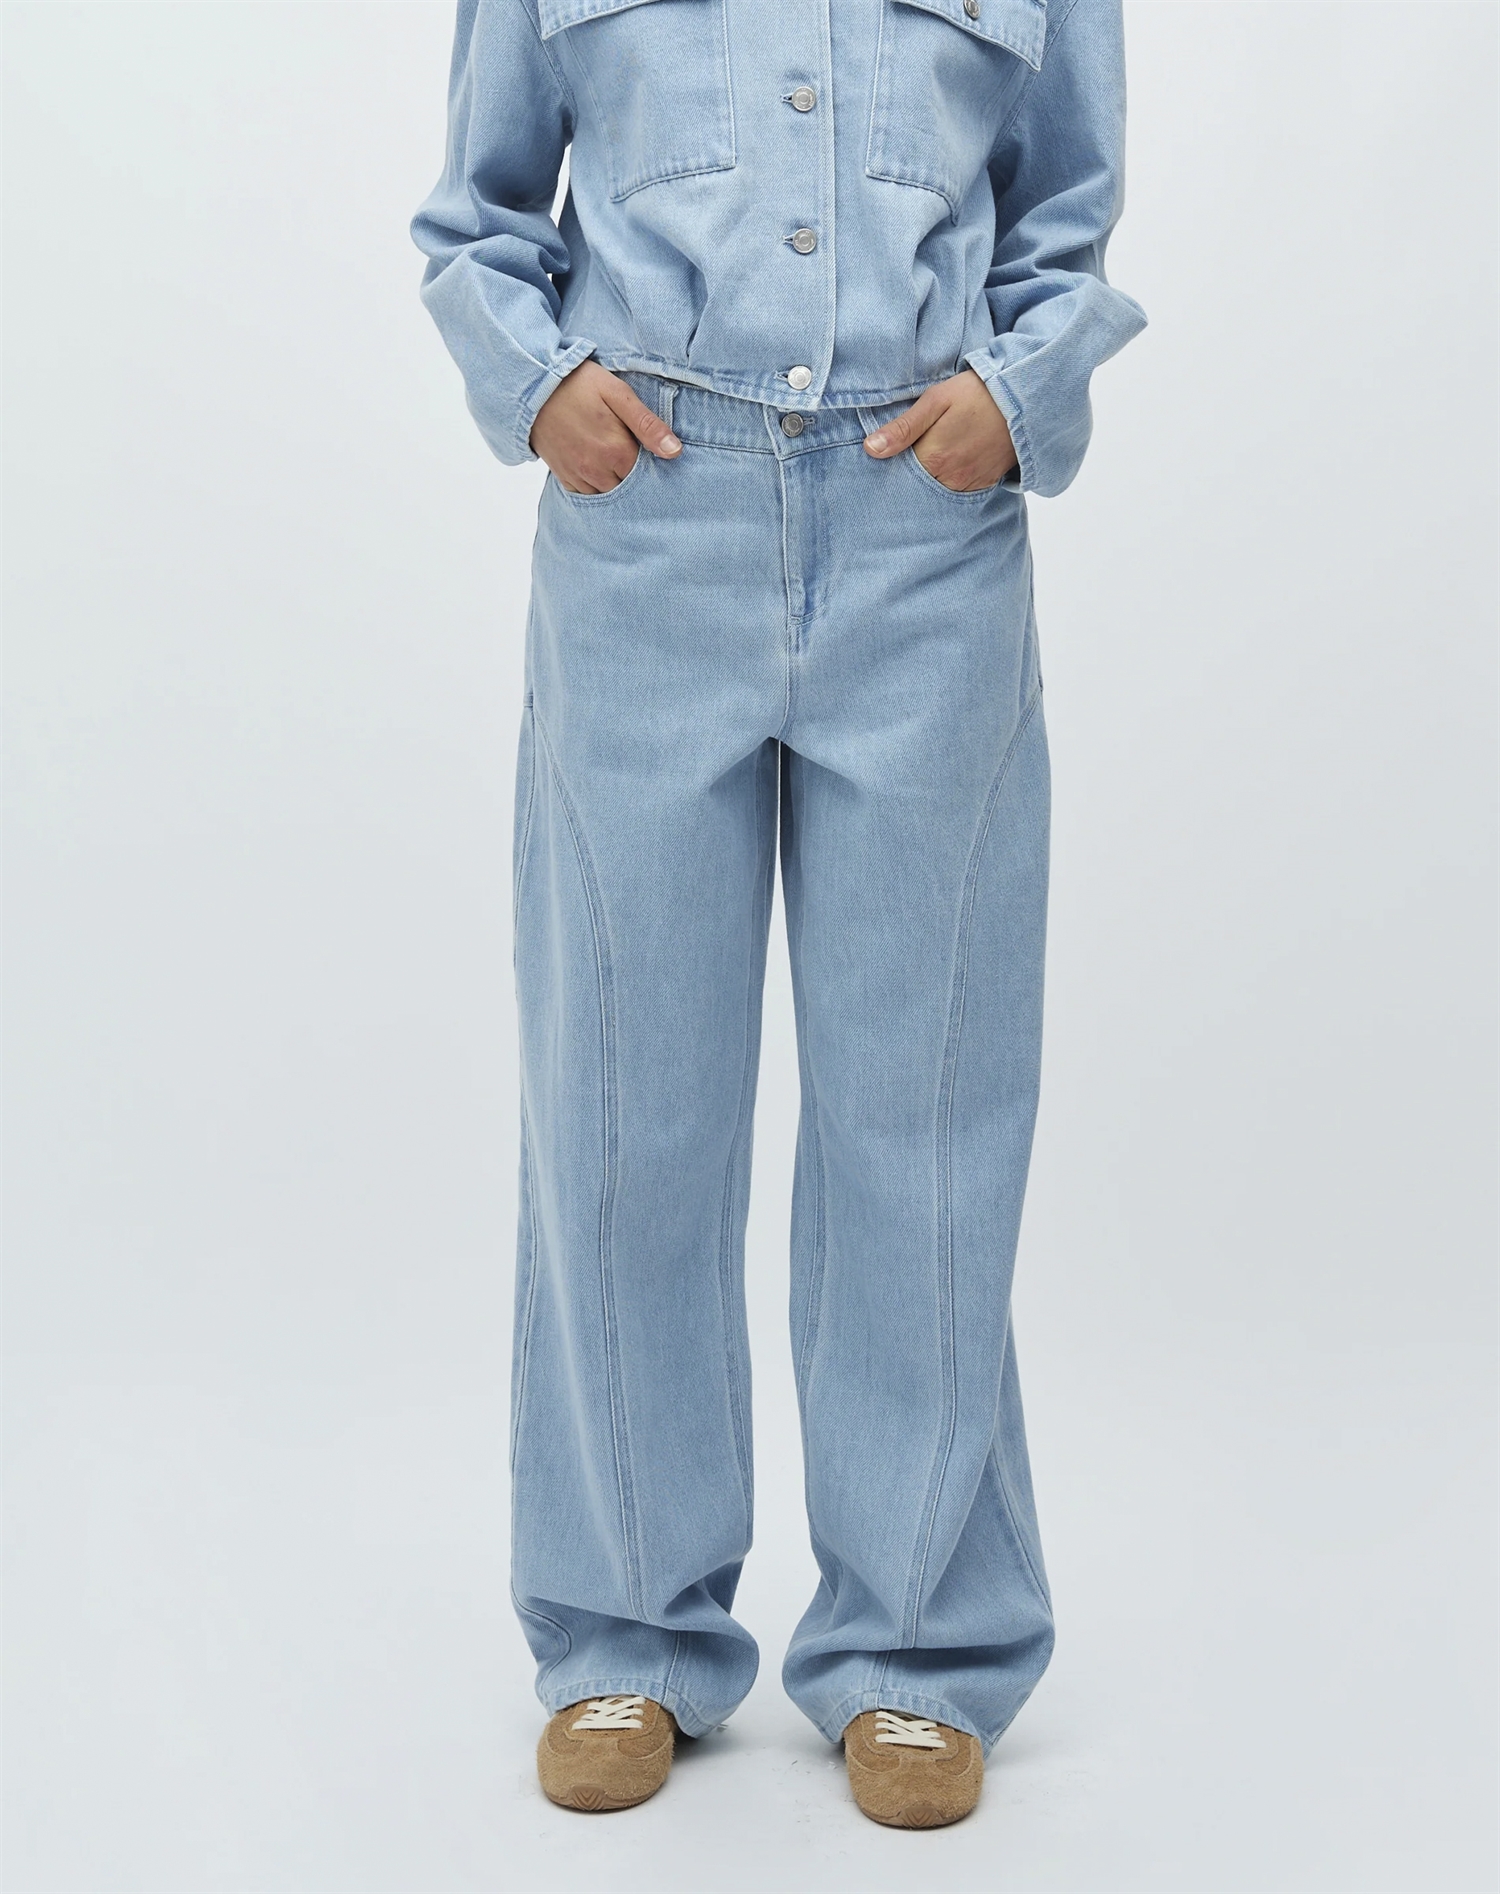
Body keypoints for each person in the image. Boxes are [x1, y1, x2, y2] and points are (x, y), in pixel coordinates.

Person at [412, 0, 1145, 1830]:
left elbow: (1067, 204)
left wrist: (1017, 396)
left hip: (927, 541)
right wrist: (535, 382)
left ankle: (919, 1646)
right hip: (646, 526)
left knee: (926, 1110)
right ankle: (621, 1633)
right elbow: (476, 213)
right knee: (622, 1106)